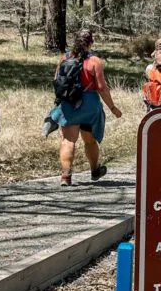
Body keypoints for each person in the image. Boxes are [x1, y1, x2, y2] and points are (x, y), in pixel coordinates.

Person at [47, 29, 122, 186]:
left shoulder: (64, 58)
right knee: (90, 141)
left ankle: (66, 177)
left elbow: (56, 80)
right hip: (89, 106)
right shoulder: (95, 62)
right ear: (91, 43)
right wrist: (113, 108)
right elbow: (102, 88)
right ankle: (95, 170)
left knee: (68, 140)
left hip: (69, 105)